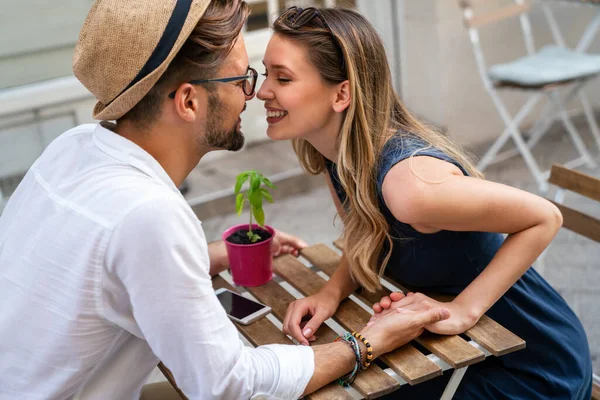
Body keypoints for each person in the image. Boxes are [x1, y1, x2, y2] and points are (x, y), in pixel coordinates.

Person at [0, 1, 452, 399]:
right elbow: (228, 386)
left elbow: (101, 268)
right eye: (243, 78)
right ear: (189, 102)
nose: (253, 94)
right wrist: (367, 342)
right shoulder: (146, 214)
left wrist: (206, 255)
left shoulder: (74, 147)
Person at [258, 6, 593, 399]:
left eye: (282, 78)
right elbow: (365, 232)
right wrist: (329, 293)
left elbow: (545, 217)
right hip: (461, 352)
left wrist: (465, 309)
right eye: (266, 74)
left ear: (342, 94)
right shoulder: (334, 158)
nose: (263, 91)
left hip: (533, 364)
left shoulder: (409, 187)